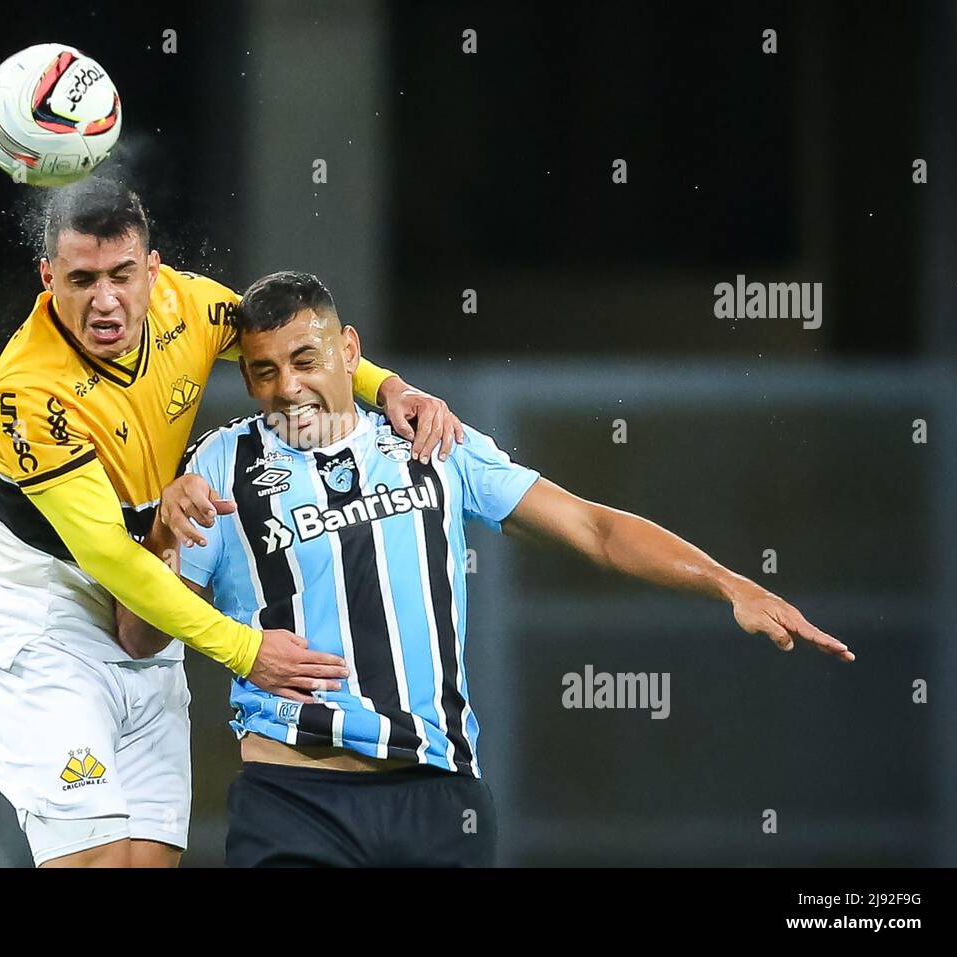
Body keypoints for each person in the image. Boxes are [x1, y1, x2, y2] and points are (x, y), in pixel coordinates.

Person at [135, 270, 853, 867]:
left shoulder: (430, 438)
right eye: (263, 371)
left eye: (304, 360)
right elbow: (140, 636)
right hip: (294, 797)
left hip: (441, 797)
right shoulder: (223, 464)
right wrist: (162, 536)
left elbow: (594, 527)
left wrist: (728, 580)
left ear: (349, 350)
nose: (286, 388)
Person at [0, 177, 464, 869]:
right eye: (81, 279)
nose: (106, 300)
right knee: (96, 858)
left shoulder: (187, 304)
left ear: (152, 268)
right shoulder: (29, 390)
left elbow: (295, 340)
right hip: (50, 619)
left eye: (122, 275)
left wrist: (390, 385)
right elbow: (107, 557)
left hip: (150, 607)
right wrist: (245, 651)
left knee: (149, 861)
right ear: (48, 278)